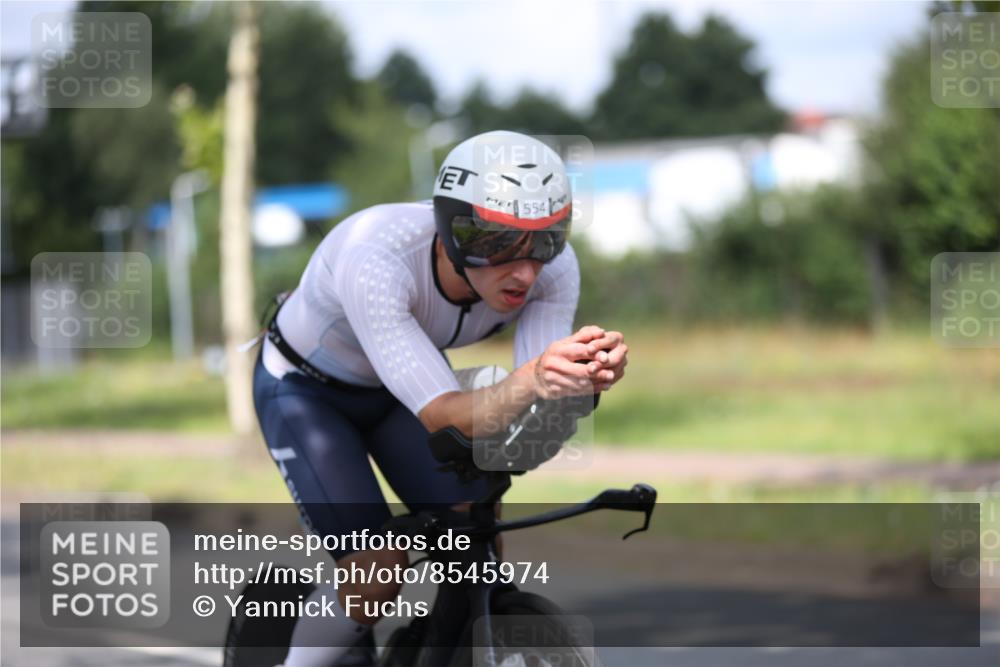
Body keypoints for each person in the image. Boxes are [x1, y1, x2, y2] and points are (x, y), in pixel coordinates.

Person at [252, 130, 629, 666]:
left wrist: (583, 379)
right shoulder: (376, 257)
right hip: (306, 392)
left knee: (475, 543)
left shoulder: (554, 270)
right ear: (456, 232)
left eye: (546, 240)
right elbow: (448, 414)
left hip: (396, 392)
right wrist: (536, 378)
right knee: (377, 573)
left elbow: (536, 404)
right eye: (502, 243)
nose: (526, 270)